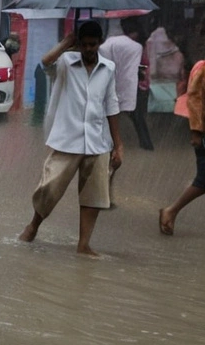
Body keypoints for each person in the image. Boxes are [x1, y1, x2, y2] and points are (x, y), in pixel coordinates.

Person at [18, 22, 124, 256]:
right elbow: (45, 63)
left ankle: (83, 244)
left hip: (97, 141)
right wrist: (67, 43)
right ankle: (33, 225)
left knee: (94, 196)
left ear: (100, 43)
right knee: (49, 189)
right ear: (79, 43)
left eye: (92, 45)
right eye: (84, 44)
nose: (88, 49)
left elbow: (111, 105)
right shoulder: (66, 62)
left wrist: (118, 145)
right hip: (67, 139)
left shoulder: (108, 68)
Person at [159, 58, 205, 235]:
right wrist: (196, 131)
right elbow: (194, 100)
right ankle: (171, 210)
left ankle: (171, 210)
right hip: (202, 131)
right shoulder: (202, 69)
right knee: (203, 180)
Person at [99, 17, 154, 151]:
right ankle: (146, 145)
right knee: (137, 117)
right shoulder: (136, 47)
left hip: (112, 85)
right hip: (132, 86)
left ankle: (107, 143)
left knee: (107, 115)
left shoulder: (108, 44)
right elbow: (141, 67)